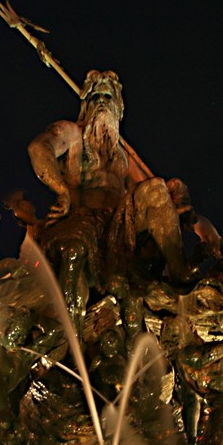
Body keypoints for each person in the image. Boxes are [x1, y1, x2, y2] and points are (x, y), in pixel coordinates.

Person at [27, 70, 197, 329]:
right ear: (86, 104)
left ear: (119, 108)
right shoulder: (73, 134)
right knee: (74, 250)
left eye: (109, 96)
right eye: (96, 96)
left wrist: (175, 197)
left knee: (156, 188)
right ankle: (67, 333)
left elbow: (153, 195)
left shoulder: (122, 155)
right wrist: (60, 188)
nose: (103, 101)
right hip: (80, 219)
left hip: (117, 226)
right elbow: (39, 148)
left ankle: (180, 270)